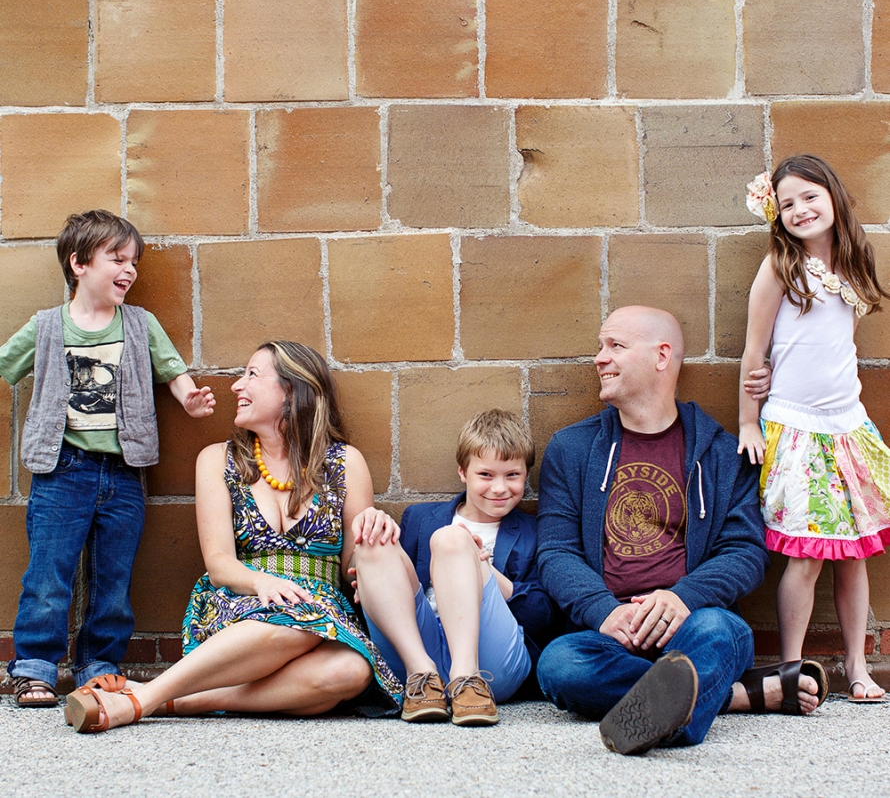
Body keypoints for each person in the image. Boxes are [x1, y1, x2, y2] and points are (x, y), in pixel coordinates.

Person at [64, 341, 402, 733]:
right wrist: (263, 583)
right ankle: (140, 703)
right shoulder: (217, 460)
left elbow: (351, 567)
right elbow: (219, 563)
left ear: (292, 391)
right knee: (295, 620)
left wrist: (374, 540)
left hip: (324, 615)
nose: (236, 386)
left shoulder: (344, 463)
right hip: (242, 605)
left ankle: (170, 698)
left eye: (252, 375)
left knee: (351, 671)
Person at [536, 306, 828, 757]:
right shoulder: (571, 448)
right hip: (611, 635)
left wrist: (683, 598)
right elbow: (556, 552)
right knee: (559, 665)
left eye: (615, 346)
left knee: (722, 632)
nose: (599, 358)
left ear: (661, 356)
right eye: (600, 346)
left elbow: (746, 552)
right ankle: (736, 696)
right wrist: (603, 611)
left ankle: (673, 705)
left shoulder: (724, 454)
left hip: (694, 623)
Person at [1, 210, 216, 709]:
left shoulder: (140, 324)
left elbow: (172, 371)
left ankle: (98, 665)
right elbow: (5, 363)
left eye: (133, 261)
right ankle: (34, 668)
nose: (129, 270)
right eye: (117, 259)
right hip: (61, 470)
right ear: (78, 264)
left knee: (113, 578)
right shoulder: (46, 326)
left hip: (123, 473)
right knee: (48, 574)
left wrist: (189, 399)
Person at [738, 155, 890, 703]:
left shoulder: (852, 263)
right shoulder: (780, 268)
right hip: (797, 427)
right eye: (787, 203)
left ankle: (856, 665)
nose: (800, 209)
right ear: (775, 214)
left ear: (833, 196)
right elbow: (754, 353)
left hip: (847, 425)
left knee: (853, 553)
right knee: (806, 555)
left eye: (810, 196)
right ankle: (789, 668)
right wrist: (748, 422)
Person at [352, 409, 556, 726]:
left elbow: (543, 617)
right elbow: (399, 587)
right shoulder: (421, 518)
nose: (499, 488)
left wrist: (484, 569)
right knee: (372, 539)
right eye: (486, 475)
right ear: (463, 472)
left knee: (451, 539)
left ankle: (466, 679)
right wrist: (371, 581)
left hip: (490, 662)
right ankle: (422, 675)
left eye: (512, 475)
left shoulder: (535, 531)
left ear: (526, 475)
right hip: (417, 654)